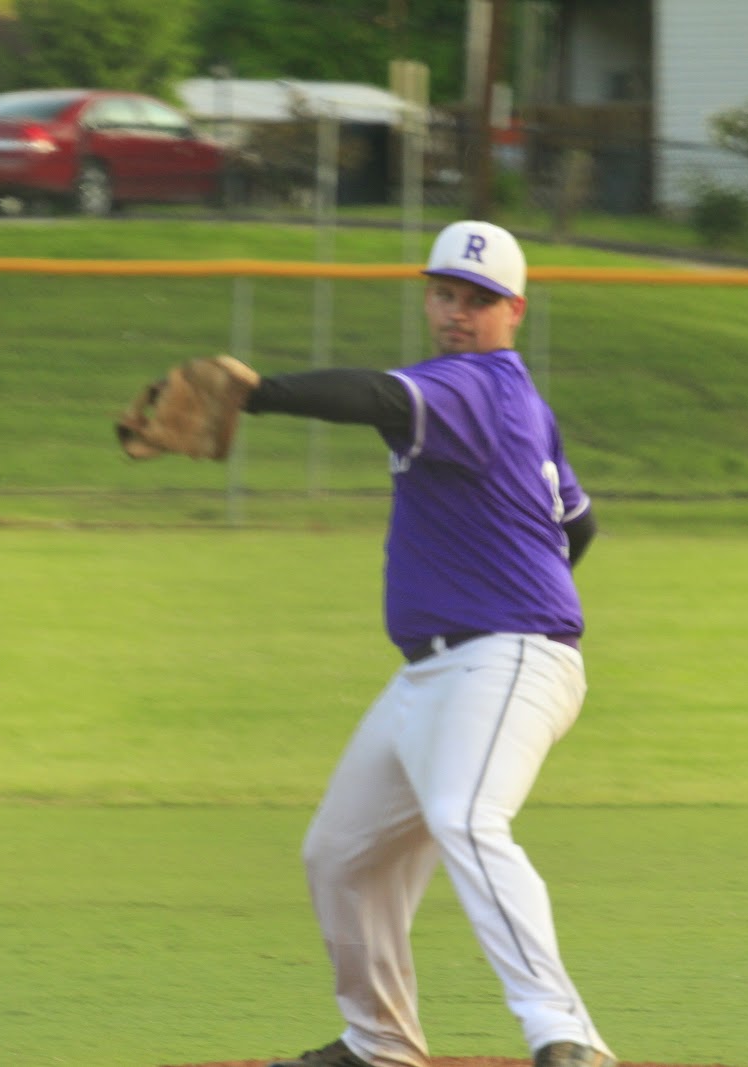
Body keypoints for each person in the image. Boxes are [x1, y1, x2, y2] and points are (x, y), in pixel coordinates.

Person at [243, 221, 615, 1067]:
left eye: (479, 299)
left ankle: (568, 1034)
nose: (457, 312)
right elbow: (578, 524)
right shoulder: (524, 406)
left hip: (507, 658)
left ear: (513, 311)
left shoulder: (477, 384)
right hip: (435, 675)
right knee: (341, 853)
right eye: (446, 293)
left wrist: (259, 391)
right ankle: (380, 1042)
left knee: (466, 816)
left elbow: (376, 398)